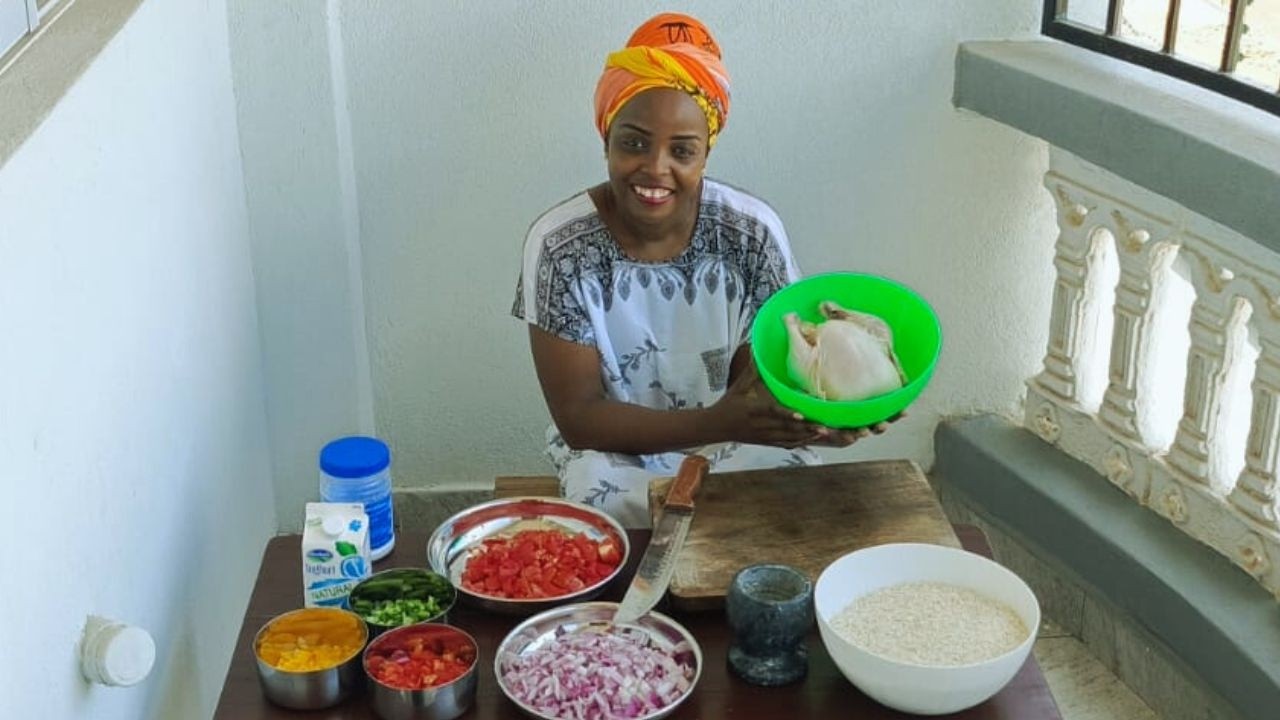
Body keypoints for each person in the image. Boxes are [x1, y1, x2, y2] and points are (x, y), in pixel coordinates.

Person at [512, 13, 891, 527]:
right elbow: (580, 420)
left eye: (682, 150)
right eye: (634, 142)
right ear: (606, 139)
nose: (655, 167)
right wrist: (717, 420)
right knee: (597, 497)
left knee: (792, 486)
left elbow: (771, 384)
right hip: (617, 453)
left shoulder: (750, 233)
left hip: (739, 443)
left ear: (705, 153)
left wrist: (833, 420)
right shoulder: (559, 245)